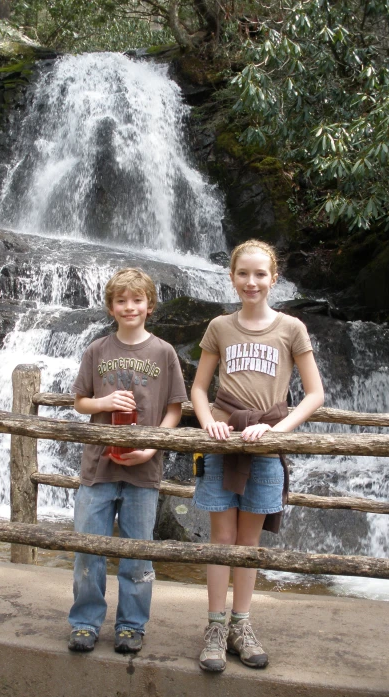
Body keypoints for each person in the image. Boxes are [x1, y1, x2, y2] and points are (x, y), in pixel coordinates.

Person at [191, 239, 324, 672]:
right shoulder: (219, 326)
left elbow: (314, 394)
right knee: (221, 539)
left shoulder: (291, 328)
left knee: (248, 542)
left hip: (265, 444)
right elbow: (198, 387)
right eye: (243, 274)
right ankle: (214, 626)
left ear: (274, 278)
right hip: (224, 439)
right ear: (232, 277)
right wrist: (206, 420)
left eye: (260, 274)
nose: (252, 282)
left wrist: (277, 430)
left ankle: (240, 625)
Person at [68, 268, 187, 655]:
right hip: (98, 468)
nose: (129, 307)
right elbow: (81, 402)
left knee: (138, 551)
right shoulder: (97, 350)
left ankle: (132, 625)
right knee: (89, 548)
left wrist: (152, 447)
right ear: (111, 307)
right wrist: (103, 403)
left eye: (137, 300)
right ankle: (85, 623)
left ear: (149, 306)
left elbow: (174, 409)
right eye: (122, 301)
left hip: (144, 471)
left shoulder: (164, 353)